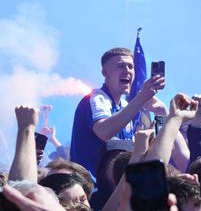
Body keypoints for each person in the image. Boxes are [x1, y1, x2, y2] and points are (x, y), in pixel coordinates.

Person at [70, 47, 165, 178]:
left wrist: (163, 114)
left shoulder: (126, 107)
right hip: (91, 188)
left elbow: (133, 150)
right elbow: (104, 131)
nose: (127, 71)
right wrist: (142, 97)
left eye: (131, 67)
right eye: (120, 66)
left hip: (119, 185)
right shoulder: (96, 97)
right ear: (105, 72)